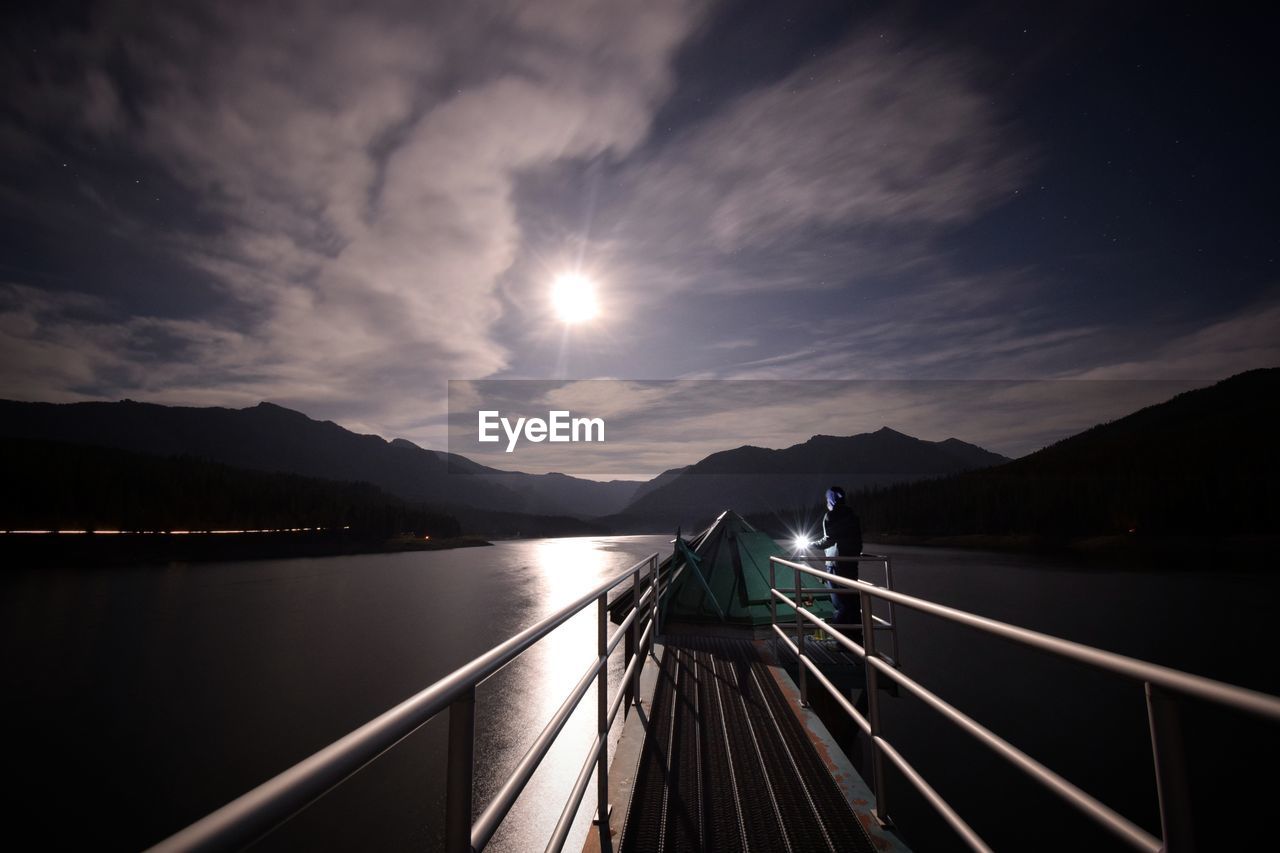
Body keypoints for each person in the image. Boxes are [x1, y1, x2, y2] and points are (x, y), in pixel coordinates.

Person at [811, 485, 862, 628]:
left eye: (827, 499)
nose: (827, 502)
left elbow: (829, 539)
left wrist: (812, 544)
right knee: (852, 601)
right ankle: (856, 638)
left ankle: (841, 641)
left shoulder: (831, 515)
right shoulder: (852, 515)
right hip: (851, 562)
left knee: (840, 602)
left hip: (836, 564)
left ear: (831, 499)